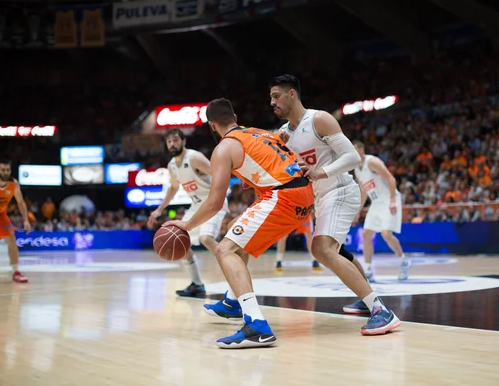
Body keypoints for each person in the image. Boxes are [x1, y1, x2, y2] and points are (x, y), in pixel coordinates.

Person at [164, 98, 315, 348]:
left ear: (212, 125)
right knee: (237, 234)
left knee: (225, 249)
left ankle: (256, 325)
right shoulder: (258, 132)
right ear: (234, 116)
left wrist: (186, 225)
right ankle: (233, 301)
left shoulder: (223, 149)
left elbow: (214, 202)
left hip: (282, 197)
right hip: (304, 195)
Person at [270, 74, 401, 324]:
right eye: (270, 98)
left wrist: (321, 172)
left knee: (320, 248)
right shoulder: (283, 134)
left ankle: (381, 311)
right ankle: (367, 301)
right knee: (337, 250)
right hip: (320, 197)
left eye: (276, 96)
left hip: (340, 190)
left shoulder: (319, 119)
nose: (272, 103)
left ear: (292, 94)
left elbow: (352, 157)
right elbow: (292, 170)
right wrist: (282, 152)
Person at [148, 128, 228, 297]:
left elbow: (218, 175)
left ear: (183, 141)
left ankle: (234, 274)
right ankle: (197, 285)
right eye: (169, 141)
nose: (172, 144)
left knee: (206, 238)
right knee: (182, 243)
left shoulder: (194, 157)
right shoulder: (171, 166)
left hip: (213, 201)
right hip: (197, 206)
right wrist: (159, 209)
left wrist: (222, 198)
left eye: (175, 140)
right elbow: (173, 188)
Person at [352, 140, 411, 281]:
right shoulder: (356, 169)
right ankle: (368, 269)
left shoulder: (372, 162)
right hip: (376, 202)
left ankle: (404, 261)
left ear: (361, 150)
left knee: (386, 234)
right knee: (366, 234)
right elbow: (363, 191)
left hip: (388, 198)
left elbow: (391, 178)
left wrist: (392, 200)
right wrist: (358, 211)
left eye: (353, 150)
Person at [0, 160, 30, 283]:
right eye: (3, 170)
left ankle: (16, 272)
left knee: (11, 239)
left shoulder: (14, 184)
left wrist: (26, 220)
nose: (6, 172)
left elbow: (20, 203)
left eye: (8, 170)